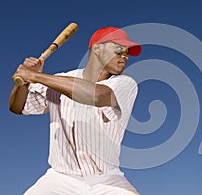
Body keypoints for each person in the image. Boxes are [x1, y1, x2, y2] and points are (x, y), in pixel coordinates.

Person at [9, 26, 142, 195]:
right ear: (97, 48)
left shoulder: (125, 83)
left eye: (127, 53)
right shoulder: (58, 81)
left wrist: (35, 76)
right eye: (119, 51)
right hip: (59, 178)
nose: (125, 57)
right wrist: (23, 83)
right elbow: (17, 107)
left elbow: (96, 95)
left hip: (106, 179)